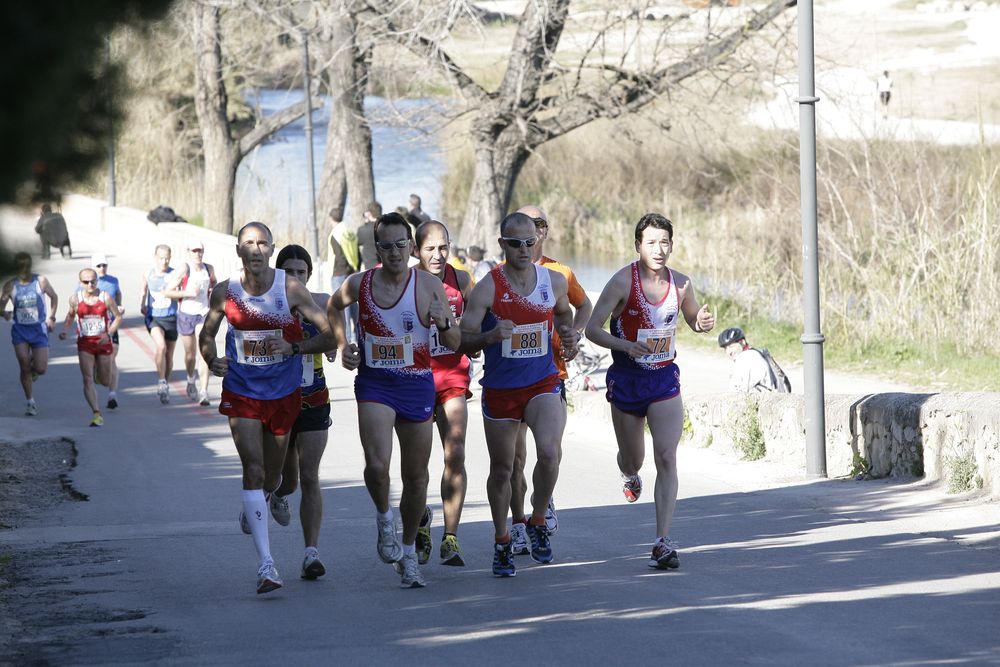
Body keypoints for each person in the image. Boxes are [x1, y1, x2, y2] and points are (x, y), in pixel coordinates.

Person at [199, 221, 335, 595]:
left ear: (271, 248)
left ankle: (258, 499)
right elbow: (208, 333)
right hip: (242, 391)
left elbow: (329, 334)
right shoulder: (225, 292)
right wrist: (211, 359)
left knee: (274, 478)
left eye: (262, 244)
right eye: (249, 243)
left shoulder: (289, 289)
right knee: (253, 469)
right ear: (239, 249)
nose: (256, 250)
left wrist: (293, 349)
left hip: (283, 394)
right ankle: (267, 564)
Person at [329, 212, 460, 588]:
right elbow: (334, 307)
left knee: (417, 477)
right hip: (375, 385)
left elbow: (454, 344)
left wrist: (445, 322)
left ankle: (407, 552)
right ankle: (385, 517)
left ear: (411, 247)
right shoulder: (360, 283)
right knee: (376, 464)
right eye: (386, 245)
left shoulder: (429, 286)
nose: (394, 252)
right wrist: (343, 345)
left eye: (401, 245)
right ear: (377, 247)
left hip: (417, 384)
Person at [585, 213, 715, 570]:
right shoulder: (621, 283)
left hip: (663, 380)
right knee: (634, 459)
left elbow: (691, 320)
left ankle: (662, 541)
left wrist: (701, 324)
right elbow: (592, 329)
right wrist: (624, 345)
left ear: (672, 246)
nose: (659, 249)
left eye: (665, 242)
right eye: (652, 242)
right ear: (638, 246)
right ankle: (628, 473)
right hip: (627, 379)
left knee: (668, 457)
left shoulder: (682, 284)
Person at [459, 212, 579, 578]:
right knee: (503, 470)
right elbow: (463, 338)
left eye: (530, 242)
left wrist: (569, 335)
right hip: (501, 389)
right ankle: (502, 539)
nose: (525, 249)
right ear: (502, 245)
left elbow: (564, 315)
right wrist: (489, 337)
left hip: (542, 382)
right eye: (516, 243)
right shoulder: (488, 287)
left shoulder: (554, 281)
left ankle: (538, 519)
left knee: (549, 452)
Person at [506, 204, 593, 555]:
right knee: (515, 457)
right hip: (512, 377)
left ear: (545, 231)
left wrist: (574, 334)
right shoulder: (502, 274)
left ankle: (543, 501)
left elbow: (584, 306)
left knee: (549, 450)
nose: (534, 231)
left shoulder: (560, 272)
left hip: (550, 371)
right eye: (527, 225)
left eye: (540, 224)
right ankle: (516, 523)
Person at [269, 245, 335, 580]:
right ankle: (275, 491)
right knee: (289, 480)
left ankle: (311, 553)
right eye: (289, 272)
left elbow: (336, 337)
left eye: (302, 272)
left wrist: (344, 350)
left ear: (310, 275)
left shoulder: (320, 303)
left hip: (313, 399)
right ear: (278, 273)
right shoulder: (267, 305)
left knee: (310, 476)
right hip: (277, 403)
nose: (296, 278)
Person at [413, 220, 473, 567]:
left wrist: (472, 338)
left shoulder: (462, 280)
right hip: (416, 379)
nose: (438, 255)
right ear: (416, 250)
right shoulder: (407, 282)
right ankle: (421, 521)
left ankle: (451, 537)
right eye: (430, 249)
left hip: (451, 375)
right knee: (418, 464)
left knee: (456, 453)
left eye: (443, 248)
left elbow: (476, 324)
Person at [58, 268, 121, 427]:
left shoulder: (105, 297)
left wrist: (109, 334)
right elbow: (71, 314)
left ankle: (98, 372)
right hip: (85, 343)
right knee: (87, 379)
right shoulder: (75, 299)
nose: (90, 284)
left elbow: (118, 317)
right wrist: (65, 329)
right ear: (81, 283)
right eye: (86, 282)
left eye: (93, 281)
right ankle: (96, 413)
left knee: (105, 381)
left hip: (103, 342)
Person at [0, 252, 58, 416]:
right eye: (20, 266)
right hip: (20, 330)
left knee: (41, 369)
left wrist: (52, 318)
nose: (24, 269)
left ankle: (34, 369)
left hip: (38, 329)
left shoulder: (41, 281)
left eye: (27, 266)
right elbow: (0, 306)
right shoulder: (10, 285)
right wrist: (4, 313)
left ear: (30, 266)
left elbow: (54, 297)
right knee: (24, 366)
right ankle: (30, 402)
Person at [165, 240, 216, 406]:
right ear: (188, 252)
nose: (197, 254)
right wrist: (188, 292)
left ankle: (204, 392)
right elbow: (167, 291)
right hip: (186, 314)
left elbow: (215, 286)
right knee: (190, 355)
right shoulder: (184, 269)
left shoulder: (209, 269)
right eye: (194, 251)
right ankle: (190, 378)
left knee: (204, 353)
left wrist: (212, 292)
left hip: (203, 313)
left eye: (200, 251)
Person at [139, 244, 180, 404]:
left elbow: (180, 293)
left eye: (167, 258)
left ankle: (166, 383)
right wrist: (142, 303)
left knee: (169, 355)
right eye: (161, 258)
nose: (164, 261)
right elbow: (143, 290)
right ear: (155, 257)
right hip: (154, 317)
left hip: (171, 318)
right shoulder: (148, 273)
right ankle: (161, 380)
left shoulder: (175, 274)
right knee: (161, 346)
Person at [91, 254, 124, 409]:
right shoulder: (87, 283)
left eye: (104, 265)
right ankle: (97, 369)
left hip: (110, 325)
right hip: (93, 326)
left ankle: (112, 395)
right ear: (93, 268)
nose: (102, 268)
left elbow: (118, 294)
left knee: (111, 358)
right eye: (98, 266)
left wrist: (119, 305)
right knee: (98, 360)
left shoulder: (113, 281)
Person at [717, 326, 777, 392]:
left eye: (731, 346)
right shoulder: (757, 352)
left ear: (743, 342)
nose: (729, 352)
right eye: (726, 348)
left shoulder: (745, 357)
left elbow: (738, 391)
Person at [357, 202, 382, 271]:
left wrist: (366, 222)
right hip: (386, 265)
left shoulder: (362, 230)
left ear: (369, 213)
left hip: (371, 266)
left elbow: (358, 243)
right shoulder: (386, 227)